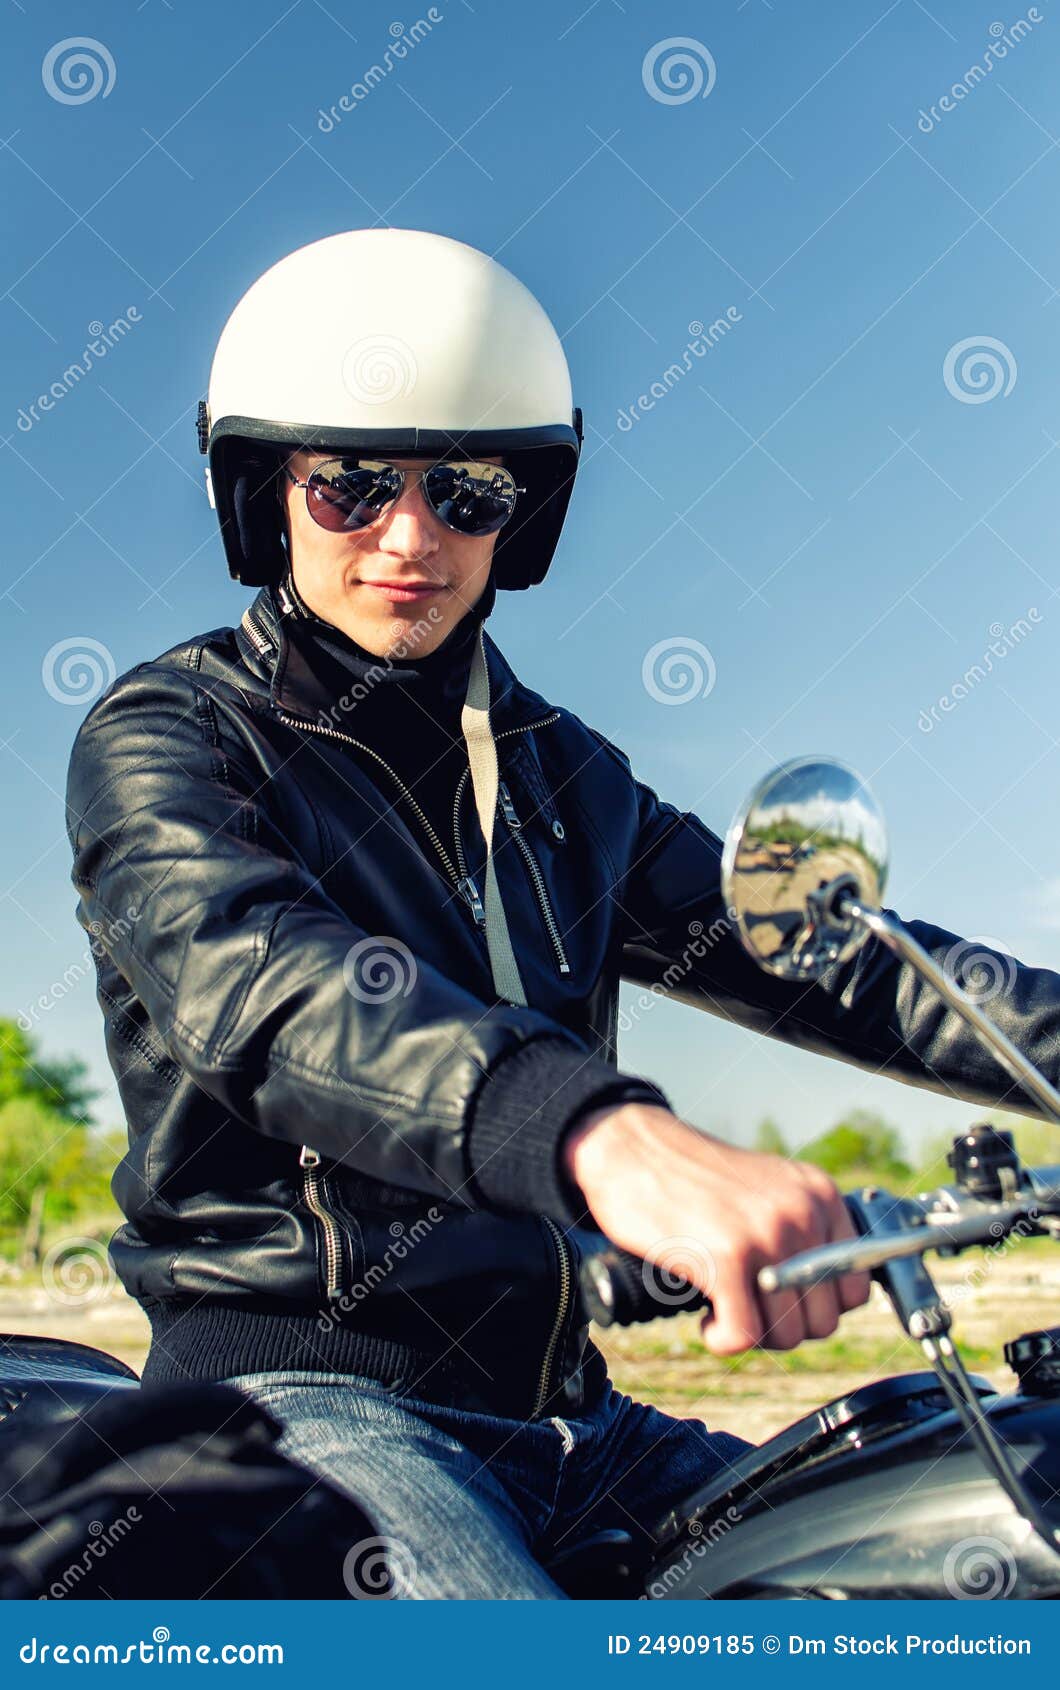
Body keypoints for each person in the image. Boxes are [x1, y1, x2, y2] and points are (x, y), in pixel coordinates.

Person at [65, 228, 1060, 1599]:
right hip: (312, 1406)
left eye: (466, 487)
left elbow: (822, 952)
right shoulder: (173, 736)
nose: (410, 533)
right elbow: (263, 984)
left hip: (579, 1421)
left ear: (520, 511)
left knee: (950, 1544)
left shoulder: (564, 773)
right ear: (263, 493)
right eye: (349, 483)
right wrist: (602, 1132)